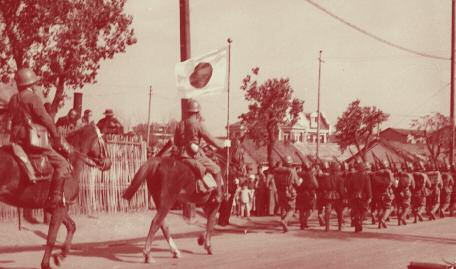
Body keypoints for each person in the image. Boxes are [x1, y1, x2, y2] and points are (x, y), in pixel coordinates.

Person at [7, 68, 71, 209]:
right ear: (31, 84)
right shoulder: (33, 98)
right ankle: (55, 198)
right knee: (62, 164)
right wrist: (56, 135)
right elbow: (45, 118)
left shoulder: (13, 99)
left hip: (16, 141)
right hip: (31, 140)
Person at [173, 99, 230, 202]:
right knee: (216, 169)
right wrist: (223, 144)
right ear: (197, 112)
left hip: (180, 156)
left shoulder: (179, 124)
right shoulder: (198, 124)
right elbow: (210, 139)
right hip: (193, 155)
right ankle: (218, 196)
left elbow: (176, 142)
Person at [272, 156, 299, 233]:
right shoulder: (292, 171)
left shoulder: (276, 171)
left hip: (280, 192)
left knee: (283, 208)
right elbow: (297, 183)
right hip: (289, 191)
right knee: (291, 209)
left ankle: (285, 226)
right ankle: (285, 221)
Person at [346, 162, 372, 232]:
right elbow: (368, 187)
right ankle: (360, 221)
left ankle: (357, 227)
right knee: (364, 210)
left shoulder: (353, 175)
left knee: (356, 211)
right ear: (364, 168)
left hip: (353, 195)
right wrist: (370, 197)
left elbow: (349, 187)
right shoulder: (366, 176)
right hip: (363, 196)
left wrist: (349, 196)